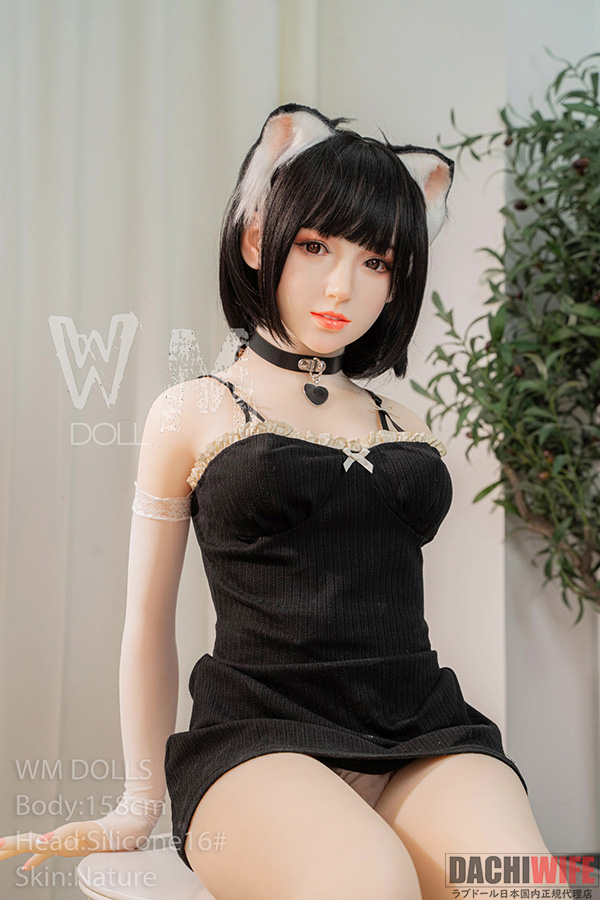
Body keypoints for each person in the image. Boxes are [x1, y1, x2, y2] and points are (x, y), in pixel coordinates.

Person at [1, 103, 564, 900]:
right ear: (257, 241)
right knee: (368, 885)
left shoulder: (404, 423)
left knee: (525, 884)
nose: (343, 286)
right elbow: (147, 622)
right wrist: (136, 805)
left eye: (377, 261)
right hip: (256, 742)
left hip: (423, 730)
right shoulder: (195, 410)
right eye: (315, 246)